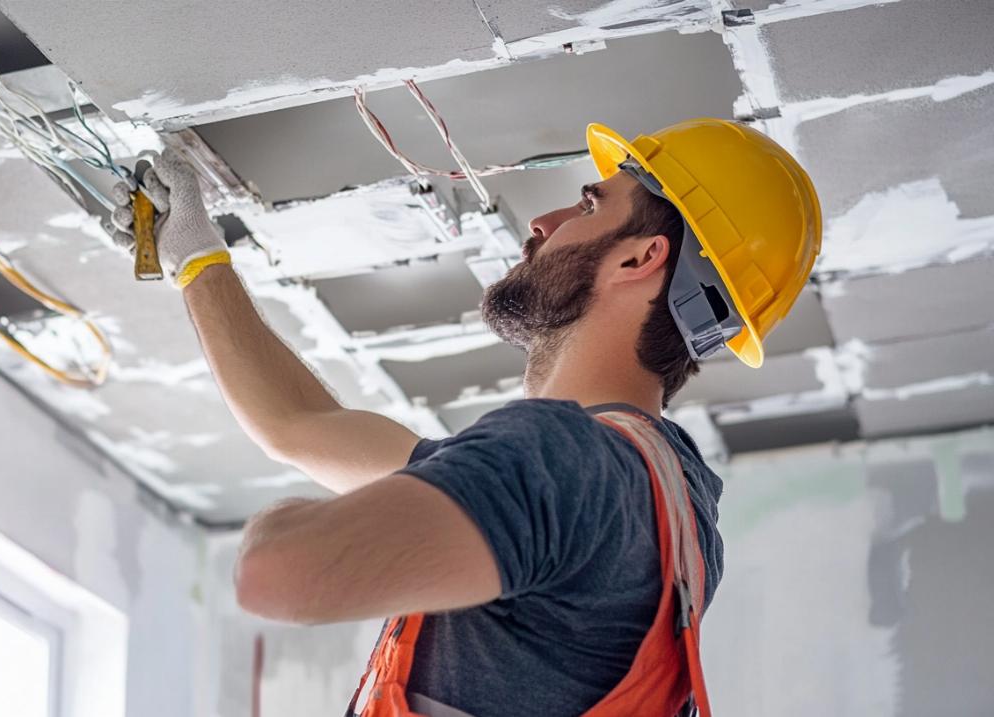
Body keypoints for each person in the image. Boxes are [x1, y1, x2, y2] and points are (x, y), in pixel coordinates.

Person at [124, 118, 821, 716]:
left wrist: (280, 526)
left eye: (588, 204)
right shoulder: (663, 502)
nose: (541, 224)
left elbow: (276, 571)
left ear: (641, 256)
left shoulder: (567, 461)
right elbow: (298, 425)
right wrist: (197, 253)